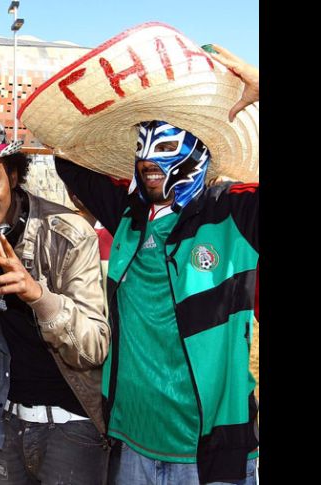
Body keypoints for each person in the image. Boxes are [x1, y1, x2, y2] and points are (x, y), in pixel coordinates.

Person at [36, 37, 259, 483]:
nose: (150, 156)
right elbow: (66, 155)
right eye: (143, 142)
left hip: (210, 452)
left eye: (168, 139)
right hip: (131, 442)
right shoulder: (126, 214)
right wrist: (113, 103)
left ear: (200, 148)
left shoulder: (234, 213)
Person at [0, 106, 111, 484]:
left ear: (12, 174)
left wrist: (37, 295)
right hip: (8, 424)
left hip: (72, 428)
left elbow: (94, 346)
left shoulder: (67, 234)